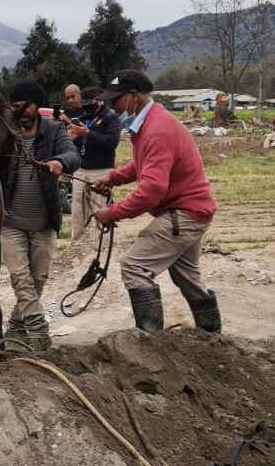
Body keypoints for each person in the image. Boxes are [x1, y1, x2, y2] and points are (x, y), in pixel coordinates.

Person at [92, 69, 221, 334]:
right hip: (191, 210)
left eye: (115, 100)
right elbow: (143, 166)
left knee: (134, 265)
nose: (112, 107)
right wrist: (113, 178)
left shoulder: (156, 129)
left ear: (133, 96)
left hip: (183, 214)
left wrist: (112, 213)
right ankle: (213, 340)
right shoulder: (150, 123)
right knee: (186, 276)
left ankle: (151, 343)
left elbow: (151, 189)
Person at [2, 79, 80, 350]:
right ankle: (40, 334)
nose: (19, 114)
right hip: (9, 221)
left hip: (45, 222)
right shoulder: (6, 133)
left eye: (24, 107)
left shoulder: (54, 129)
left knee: (37, 281)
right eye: (14, 108)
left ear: (37, 104)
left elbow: (72, 154)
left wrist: (60, 162)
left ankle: (14, 330)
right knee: (20, 278)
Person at [66, 86, 121, 243]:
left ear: (98, 101)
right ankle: (76, 244)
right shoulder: (84, 118)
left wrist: (89, 134)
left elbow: (112, 142)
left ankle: (101, 246)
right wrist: (72, 138)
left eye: (88, 103)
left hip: (101, 171)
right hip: (81, 169)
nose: (85, 107)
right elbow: (77, 144)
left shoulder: (110, 118)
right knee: (77, 210)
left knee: (99, 208)